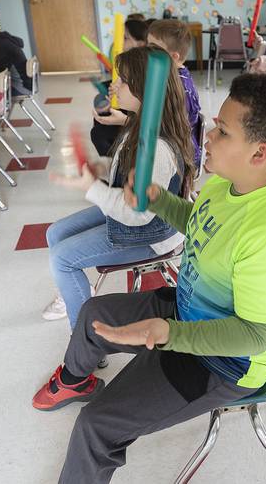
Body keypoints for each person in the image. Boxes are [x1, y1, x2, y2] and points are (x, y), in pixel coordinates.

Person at [32, 72, 266, 483]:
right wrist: (159, 202)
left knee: (96, 426)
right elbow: (197, 222)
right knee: (92, 316)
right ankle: (75, 380)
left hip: (224, 361)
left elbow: (253, 337)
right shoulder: (226, 186)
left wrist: (169, 334)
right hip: (188, 309)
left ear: (259, 153)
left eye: (222, 131)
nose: (208, 137)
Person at [42, 46, 196, 328]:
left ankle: (85, 342)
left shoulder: (158, 148)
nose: (116, 85)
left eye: (123, 80)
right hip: (129, 211)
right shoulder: (142, 124)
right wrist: (101, 172)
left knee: (62, 259)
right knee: (55, 233)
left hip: (151, 233)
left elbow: (139, 214)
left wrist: (93, 187)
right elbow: (126, 176)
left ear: (143, 89)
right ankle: (75, 290)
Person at [90, 19, 150, 156]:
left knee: (98, 134)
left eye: (125, 37)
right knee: (98, 128)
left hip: (133, 122)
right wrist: (111, 101)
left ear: (140, 43)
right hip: (131, 119)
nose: (119, 41)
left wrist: (123, 118)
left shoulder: (142, 70)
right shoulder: (128, 62)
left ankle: (117, 157)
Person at [147, 19, 202, 166]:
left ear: (173, 56)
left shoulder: (178, 87)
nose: (146, 52)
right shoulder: (168, 74)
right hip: (170, 143)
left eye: (153, 47)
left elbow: (169, 128)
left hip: (181, 154)